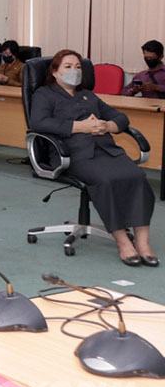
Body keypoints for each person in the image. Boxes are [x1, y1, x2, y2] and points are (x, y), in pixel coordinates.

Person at [31, 49, 157, 267]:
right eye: (68, 67)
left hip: (106, 150)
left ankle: (143, 243)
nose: (74, 71)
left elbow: (121, 117)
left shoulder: (87, 95)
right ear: (55, 72)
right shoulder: (44, 94)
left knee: (137, 176)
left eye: (78, 67)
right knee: (106, 181)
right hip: (72, 153)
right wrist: (80, 127)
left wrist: (107, 125)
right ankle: (123, 242)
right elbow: (39, 123)